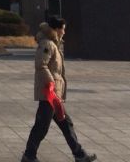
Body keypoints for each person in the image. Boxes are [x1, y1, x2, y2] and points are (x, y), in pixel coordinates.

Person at [21, 17, 97, 162]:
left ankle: (79, 154)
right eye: (63, 29)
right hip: (48, 94)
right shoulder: (47, 44)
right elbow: (40, 64)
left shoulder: (55, 44)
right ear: (56, 29)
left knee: (66, 124)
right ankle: (29, 156)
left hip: (54, 94)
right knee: (41, 127)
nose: (64, 32)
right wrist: (51, 82)